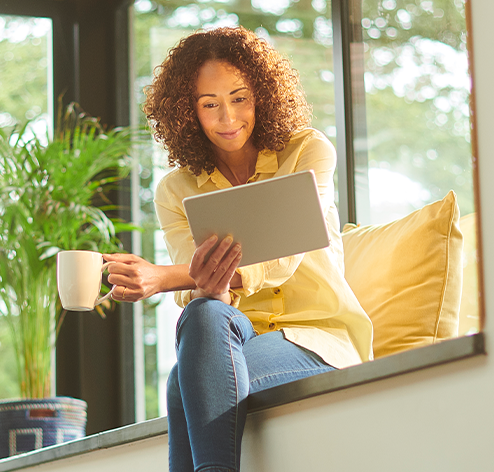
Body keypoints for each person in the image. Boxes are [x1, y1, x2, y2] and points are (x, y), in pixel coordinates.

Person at [102, 26, 373, 472]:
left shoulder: (307, 152)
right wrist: (208, 287)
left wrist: (161, 278)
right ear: (188, 112)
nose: (227, 117)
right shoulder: (176, 189)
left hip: (318, 337)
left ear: (263, 95)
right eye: (209, 104)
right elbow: (205, 292)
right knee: (204, 314)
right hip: (232, 336)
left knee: (180, 385)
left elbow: (284, 254)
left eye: (239, 97)